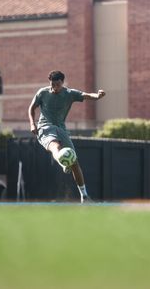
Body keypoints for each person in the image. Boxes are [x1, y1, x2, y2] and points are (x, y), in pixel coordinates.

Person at [28, 70, 106, 203]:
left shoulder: (69, 94)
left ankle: (84, 196)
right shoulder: (43, 92)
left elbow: (85, 95)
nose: (55, 87)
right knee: (55, 146)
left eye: (57, 84)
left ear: (62, 83)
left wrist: (97, 96)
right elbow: (31, 108)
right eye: (52, 84)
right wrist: (32, 124)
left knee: (75, 163)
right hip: (45, 127)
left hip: (61, 129)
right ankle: (61, 160)